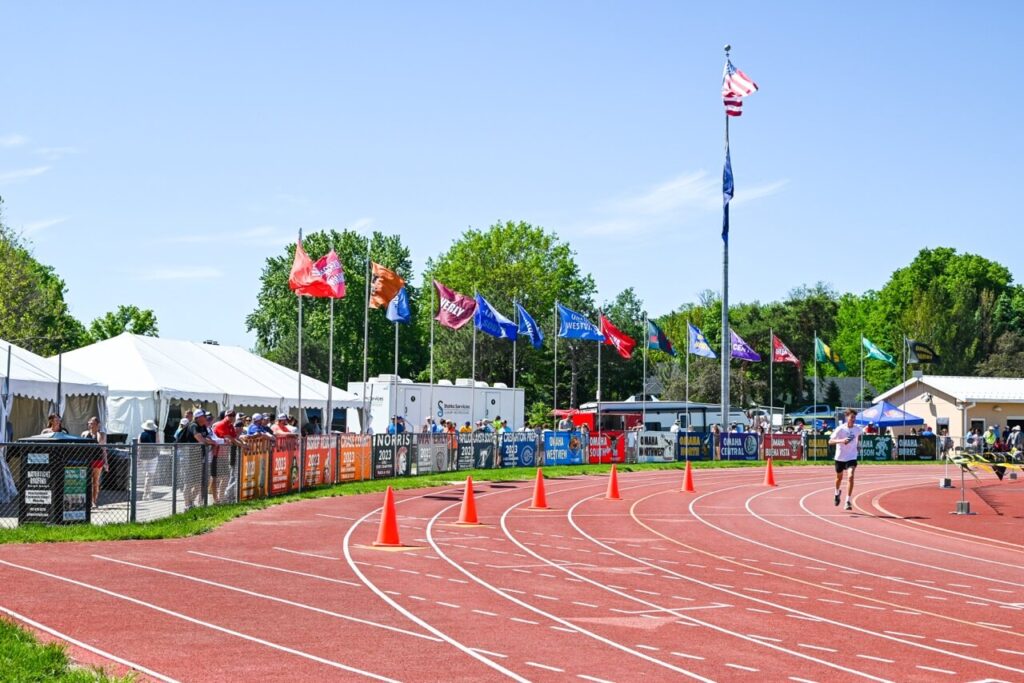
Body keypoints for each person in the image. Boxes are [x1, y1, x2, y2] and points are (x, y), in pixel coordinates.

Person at [829, 409, 862, 511]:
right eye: (851, 417)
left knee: (850, 476)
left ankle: (848, 501)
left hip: (851, 457)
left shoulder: (858, 429)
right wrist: (842, 441)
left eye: (854, 417)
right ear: (847, 417)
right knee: (839, 478)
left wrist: (858, 446)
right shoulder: (840, 429)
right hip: (840, 457)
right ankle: (836, 492)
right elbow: (830, 441)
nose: (853, 419)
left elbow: (858, 437)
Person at [183, 409, 216, 510]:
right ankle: (187, 505)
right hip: (190, 457)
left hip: (199, 457)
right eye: (205, 417)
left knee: (198, 483)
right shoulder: (193, 425)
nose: (207, 419)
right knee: (189, 482)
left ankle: (190, 503)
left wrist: (210, 441)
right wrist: (210, 442)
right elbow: (200, 439)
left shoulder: (203, 427)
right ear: (199, 417)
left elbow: (209, 438)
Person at [211, 410, 243, 503]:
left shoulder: (230, 426)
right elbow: (230, 438)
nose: (232, 417)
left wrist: (242, 439)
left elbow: (235, 437)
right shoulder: (221, 424)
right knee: (215, 478)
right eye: (230, 415)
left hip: (224, 455)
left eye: (233, 415)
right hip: (215, 454)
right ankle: (215, 500)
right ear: (225, 416)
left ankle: (220, 499)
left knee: (225, 478)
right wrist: (242, 445)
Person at [81, 417, 108, 509]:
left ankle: (93, 501)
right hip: (86, 459)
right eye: (89, 423)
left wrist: (106, 462)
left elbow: (102, 446)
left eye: (92, 423)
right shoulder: (84, 433)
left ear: (97, 424)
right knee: (86, 480)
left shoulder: (101, 434)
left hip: (97, 459)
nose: (90, 425)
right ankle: (86, 500)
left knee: (95, 481)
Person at [138, 419, 159, 500]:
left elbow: (139, 447)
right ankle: (147, 493)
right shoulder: (156, 434)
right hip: (153, 456)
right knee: (150, 475)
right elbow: (158, 444)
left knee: (147, 475)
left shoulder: (141, 435)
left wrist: (138, 458)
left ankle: (148, 493)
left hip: (143, 456)